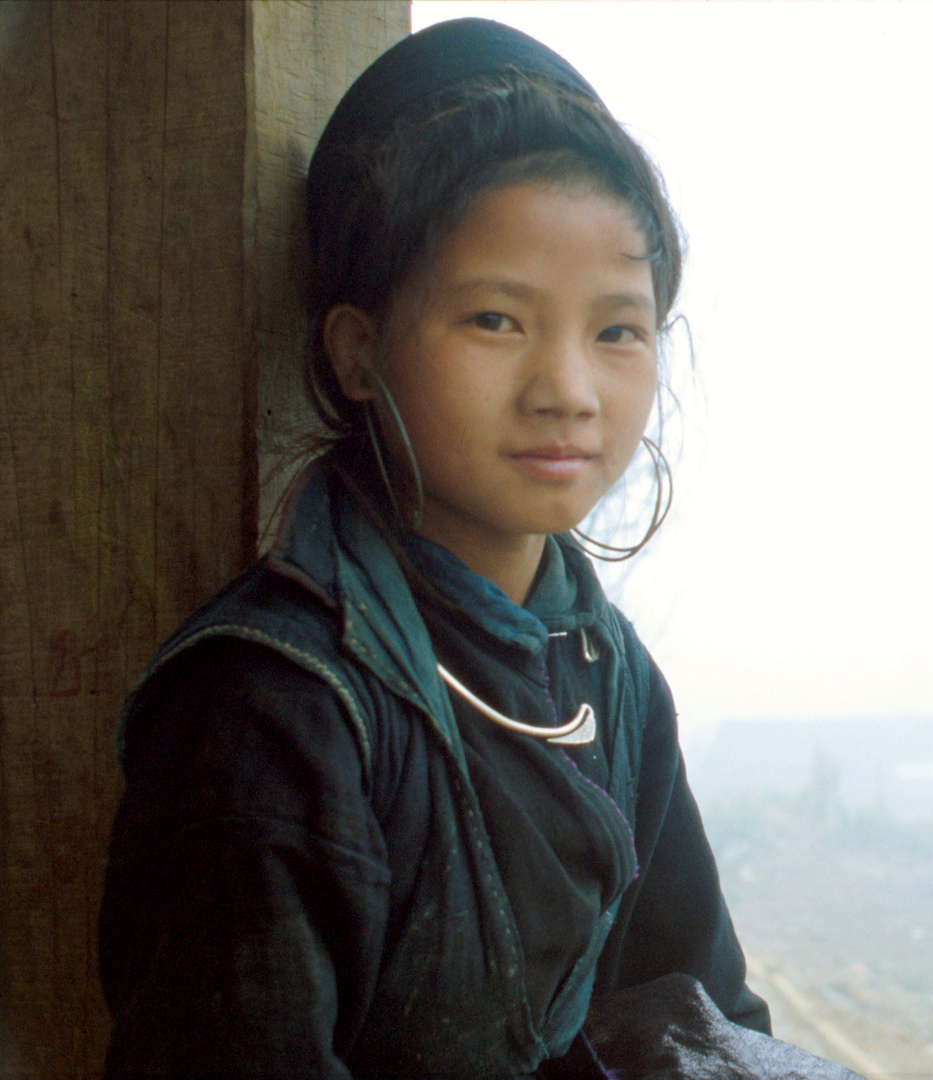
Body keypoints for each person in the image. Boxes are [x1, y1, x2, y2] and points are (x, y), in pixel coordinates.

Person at [98, 18, 858, 1080]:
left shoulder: (606, 675)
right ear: (360, 353)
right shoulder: (274, 714)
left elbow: (696, 1021)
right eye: (497, 320)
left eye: (616, 330)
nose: (568, 389)